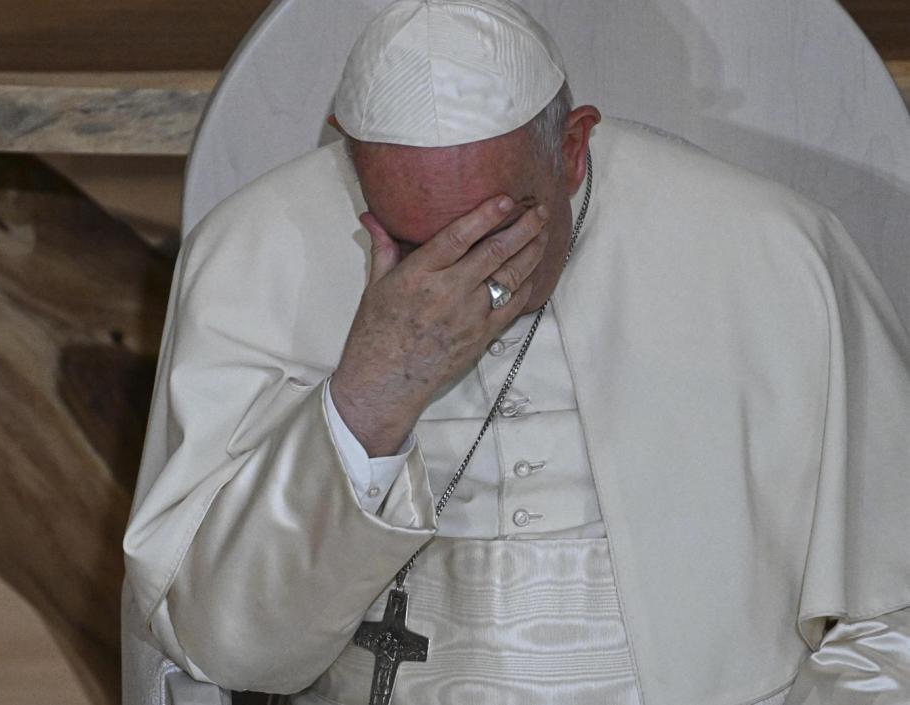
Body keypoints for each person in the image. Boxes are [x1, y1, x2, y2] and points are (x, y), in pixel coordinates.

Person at [123, 1, 910, 703]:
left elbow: (894, 615)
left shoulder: (768, 248)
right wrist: (372, 389)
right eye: (411, 240)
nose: (457, 281)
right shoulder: (252, 253)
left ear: (571, 150)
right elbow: (221, 645)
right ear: (350, 157)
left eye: (496, 229)